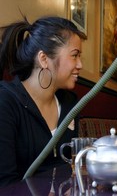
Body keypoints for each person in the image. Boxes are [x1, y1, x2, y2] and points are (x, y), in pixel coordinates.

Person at [0, 16, 87, 187]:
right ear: (44, 59)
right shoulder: (6, 103)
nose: (80, 65)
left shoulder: (70, 104)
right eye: (75, 55)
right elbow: (5, 185)